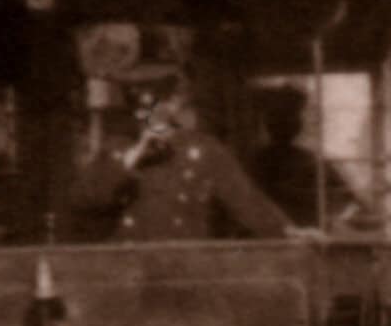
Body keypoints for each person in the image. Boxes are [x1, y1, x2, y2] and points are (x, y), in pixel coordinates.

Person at [72, 64, 292, 243]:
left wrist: (288, 232)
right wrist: (130, 159)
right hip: (131, 270)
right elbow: (86, 199)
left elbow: (248, 202)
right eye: (138, 101)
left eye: (161, 99)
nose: (148, 110)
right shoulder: (117, 149)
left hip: (184, 267)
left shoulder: (203, 150)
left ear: (177, 103)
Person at [248, 84, 363, 230]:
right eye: (279, 118)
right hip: (292, 232)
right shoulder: (306, 161)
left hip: (303, 232)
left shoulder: (310, 160)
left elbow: (349, 199)